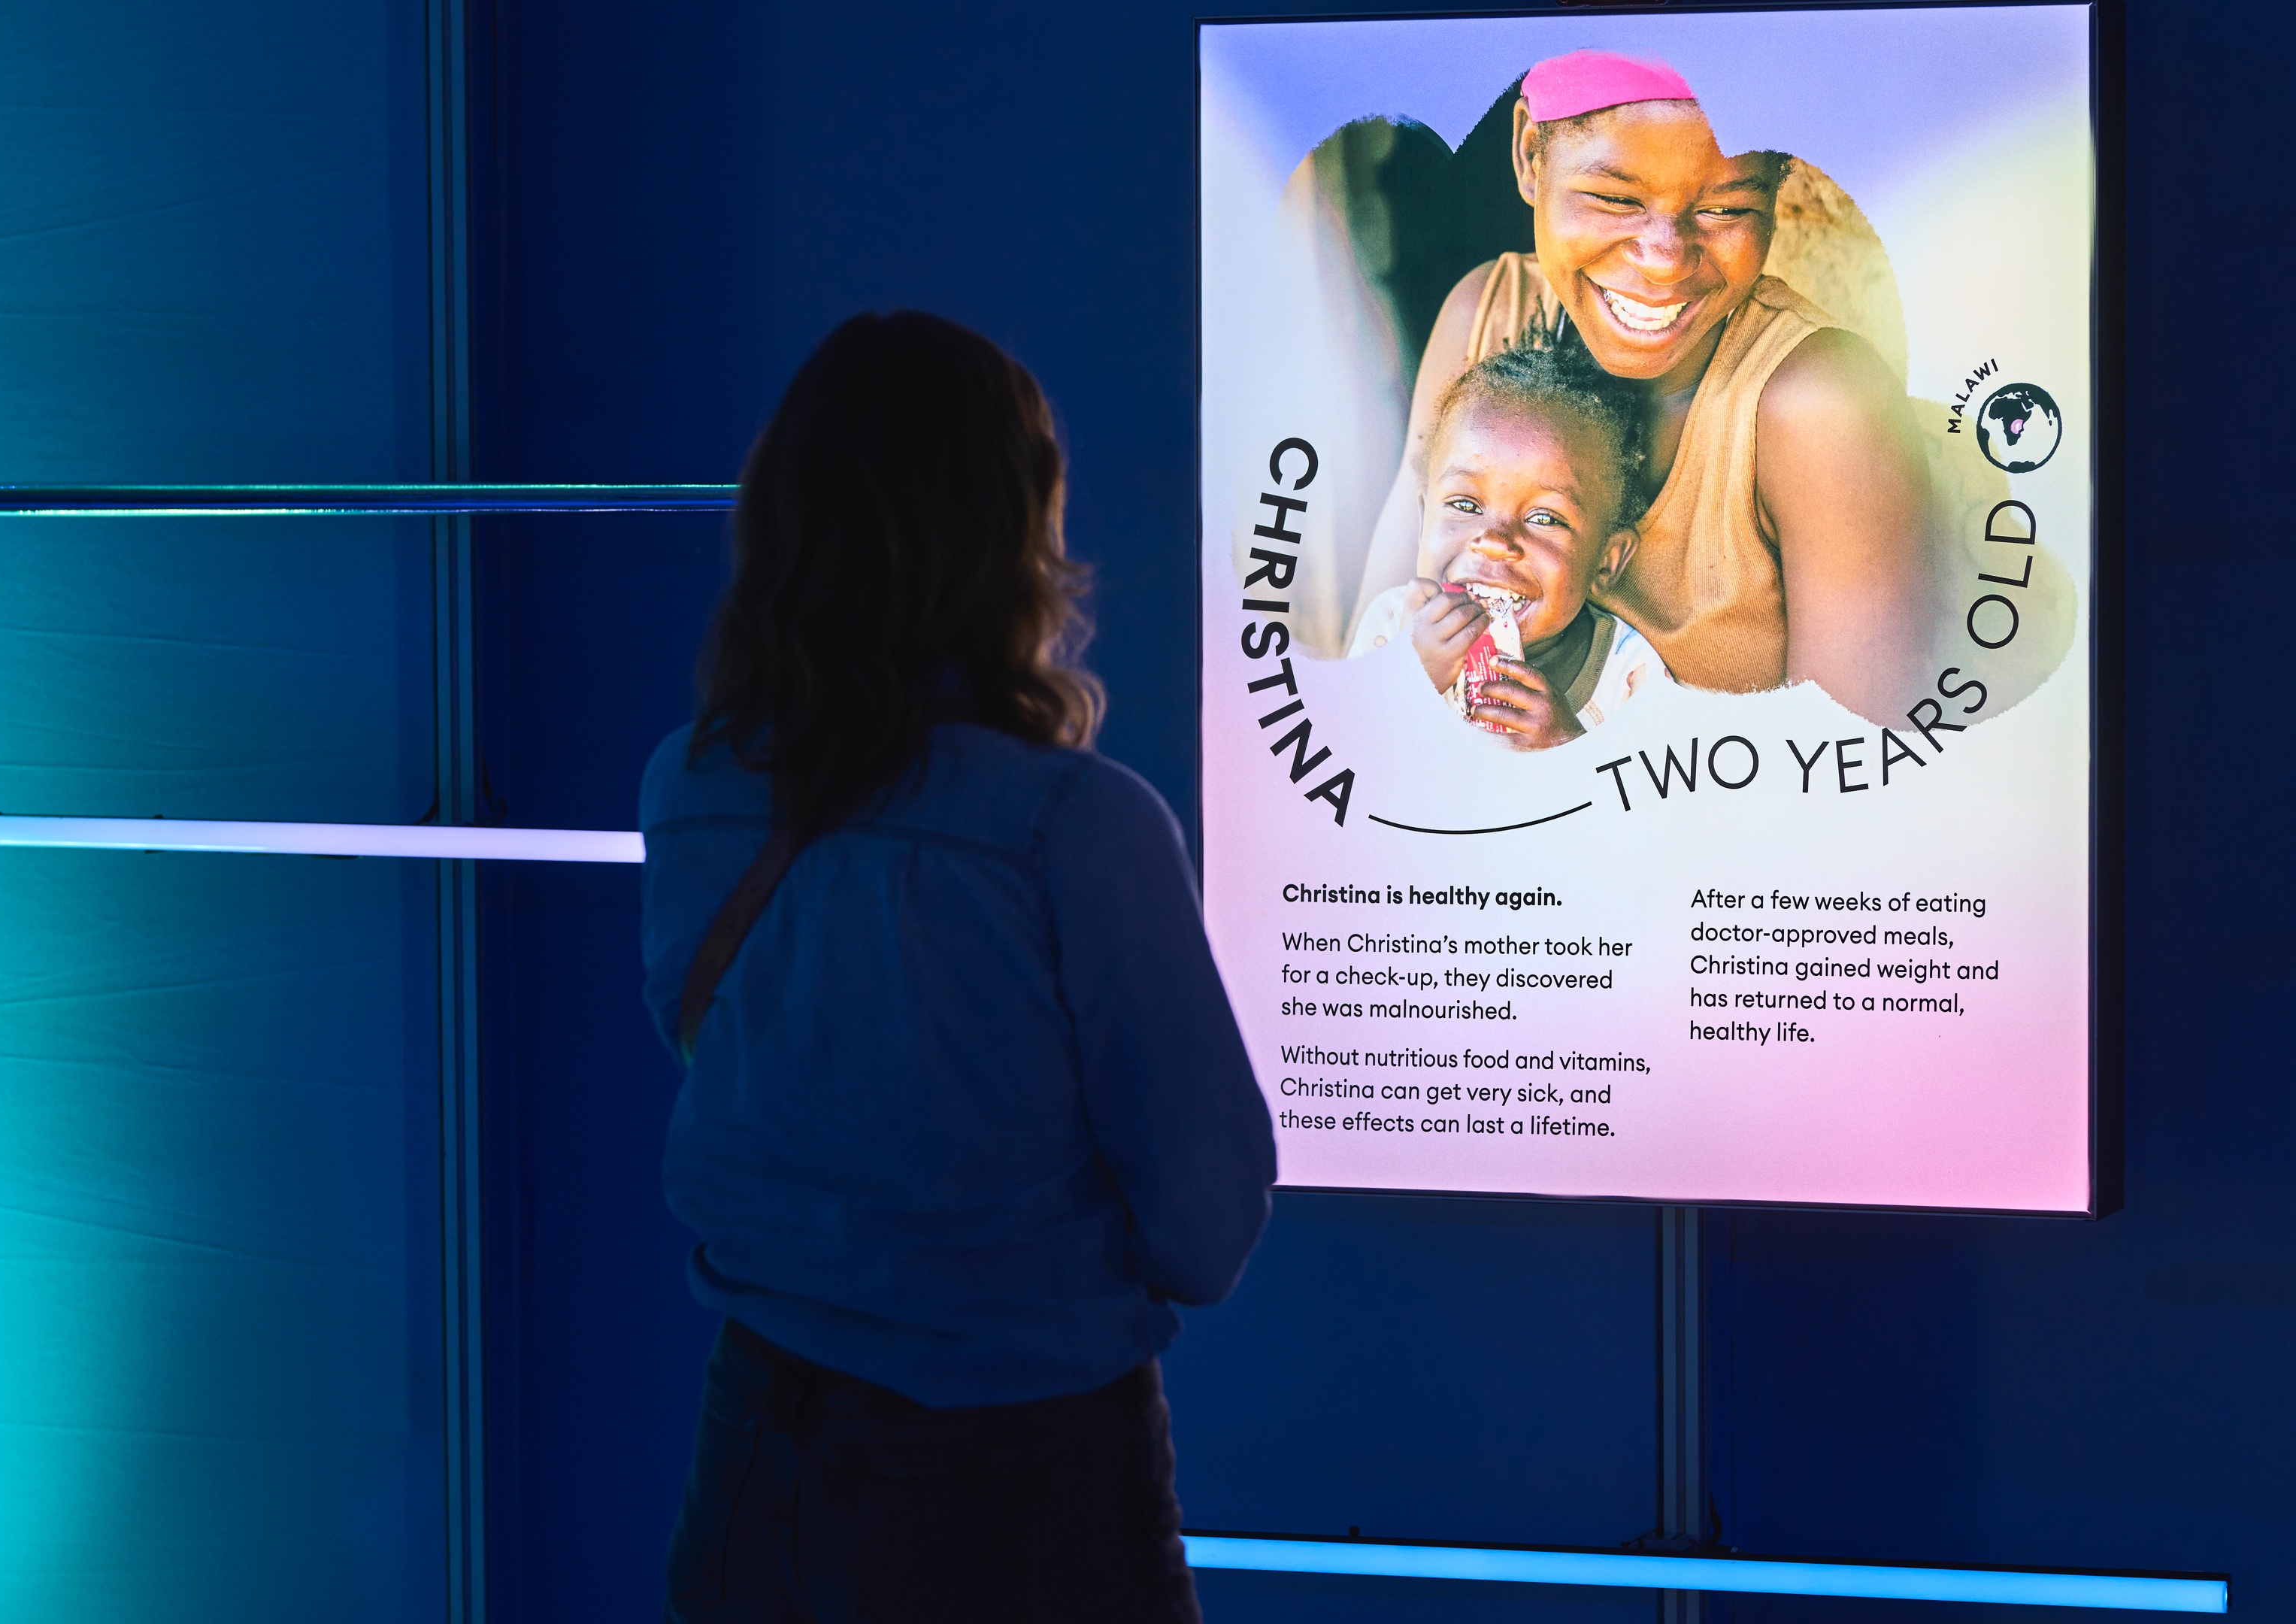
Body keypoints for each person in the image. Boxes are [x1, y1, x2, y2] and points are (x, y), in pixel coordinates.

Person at [638, 310, 1274, 1622]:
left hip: (758, 1442)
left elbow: (718, 1057)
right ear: (1014, 531)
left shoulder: (692, 787)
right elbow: (1207, 1225)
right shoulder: (1074, 826)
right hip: (1024, 1474)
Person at [1352, 49, 1934, 727]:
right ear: (1530, 156)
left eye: (1725, 208)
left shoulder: (1817, 407)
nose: (1663, 260)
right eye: (1615, 199)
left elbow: (1851, 775)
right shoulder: (1486, 318)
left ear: (1775, 200)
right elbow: (1380, 644)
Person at [1348, 342, 1664, 748]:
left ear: (1607, 560)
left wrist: (1568, 747)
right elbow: (1338, 758)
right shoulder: (1393, 630)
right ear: (1425, 518)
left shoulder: (1631, 675)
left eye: (1545, 518)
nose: (1495, 543)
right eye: (1465, 505)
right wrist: (1412, 680)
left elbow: (1648, 805)